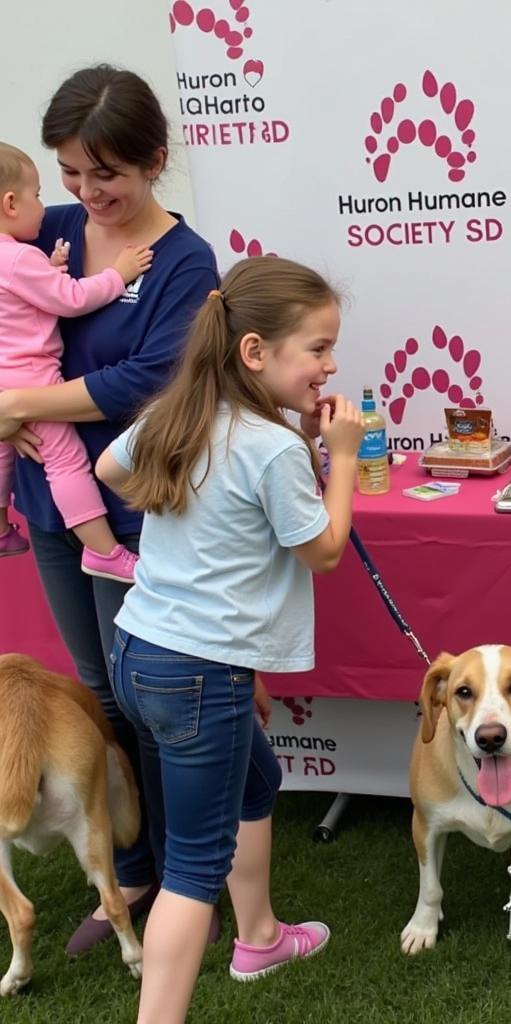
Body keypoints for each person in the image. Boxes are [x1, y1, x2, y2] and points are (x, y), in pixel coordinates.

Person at [96, 256, 365, 1023]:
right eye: (316, 347)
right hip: (196, 671)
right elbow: (324, 549)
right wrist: (340, 456)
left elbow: (111, 470)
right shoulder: (273, 446)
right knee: (192, 867)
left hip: (141, 654)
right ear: (255, 352)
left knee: (257, 785)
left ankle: (259, 937)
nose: (329, 363)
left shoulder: (181, 413)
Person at [0, 65, 219, 952]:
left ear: (156, 160)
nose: (88, 195)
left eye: (108, 176)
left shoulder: (185, 261)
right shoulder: (41, 231)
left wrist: (19, 408)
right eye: (71, 174)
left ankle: (180, 878)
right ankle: (127, 870)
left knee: (150, 697)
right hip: (52, 504)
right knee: (96, 692)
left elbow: (149, 383)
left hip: (139, 512)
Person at [0, 141, 152, 578]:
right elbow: (70, 299)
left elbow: (22, 302)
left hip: (6, 383)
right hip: (33, 380)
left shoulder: (20, 260)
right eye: (38, 195)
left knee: (7, 451)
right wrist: (118, 274)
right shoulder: (17, 256)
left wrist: (48, 269)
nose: (43, 206)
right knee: (66, 462)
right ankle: (103, 551)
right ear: (11, 203)